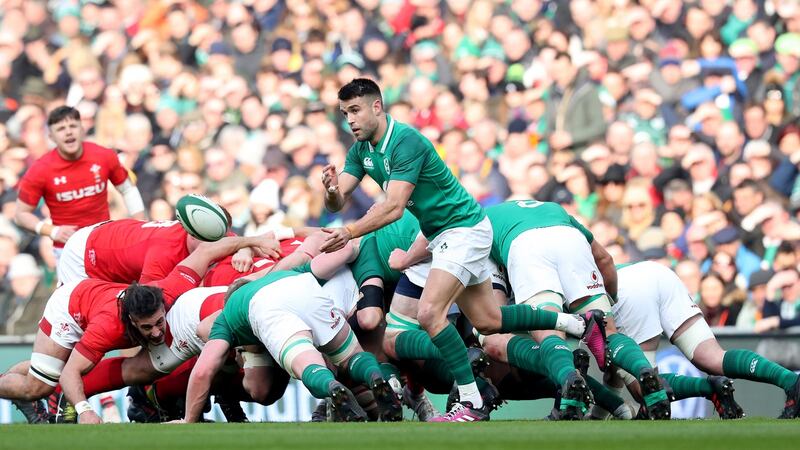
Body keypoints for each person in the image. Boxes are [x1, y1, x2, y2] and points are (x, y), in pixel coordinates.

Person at [320, 78, 588, 421]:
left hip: (462, 229)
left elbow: (395, 206)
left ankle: (472, 401)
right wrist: (330, 190)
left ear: (377, 106)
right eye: (345, 114)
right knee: (488, 321)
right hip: (445, 234)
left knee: (430, 314)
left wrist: (349, 231)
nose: (351, 120)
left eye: (355, 110)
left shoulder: (406, 141)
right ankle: (573, 323)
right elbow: (337, 199)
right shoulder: (361, 152)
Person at [0, 234, 279, 424]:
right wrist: (84, 410)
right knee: (38, 385)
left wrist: (252, 241)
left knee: (52, 371)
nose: (157, 332)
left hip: (95, 297)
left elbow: (206, 250)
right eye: (147, 328)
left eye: (160, 322)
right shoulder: (107, 328)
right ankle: (29, 393)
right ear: (132, 321)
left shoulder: (168, 290)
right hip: (68, 309)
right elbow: (73, 371)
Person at [179, 248, 402, 423]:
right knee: (351, 356)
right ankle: (375, 376)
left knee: (309, 366)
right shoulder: (283, 273)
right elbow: (332, 259)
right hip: (303, 286)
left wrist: (189, 419)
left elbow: (203, 370)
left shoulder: (227, 315)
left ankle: (332, 388)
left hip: (267, 309)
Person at [612, 261, 800, 419]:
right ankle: (792, 381)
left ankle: (707, 388)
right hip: (658, 271)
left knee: (643, 387)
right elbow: (613, 369)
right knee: (713, 357)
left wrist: (601, 413)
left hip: (624, 290)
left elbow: (610, 362)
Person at [14, 106, 145, 261]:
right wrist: (52, 231)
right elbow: (20, 214)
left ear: (82, 129)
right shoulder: (40, 169)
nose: (68, 132)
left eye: (73, 126)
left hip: (104, 243)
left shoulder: (104, 156)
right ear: (51, 136)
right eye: (61, 128)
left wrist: (140, 227)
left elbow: (128, 189)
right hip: (67, 248)